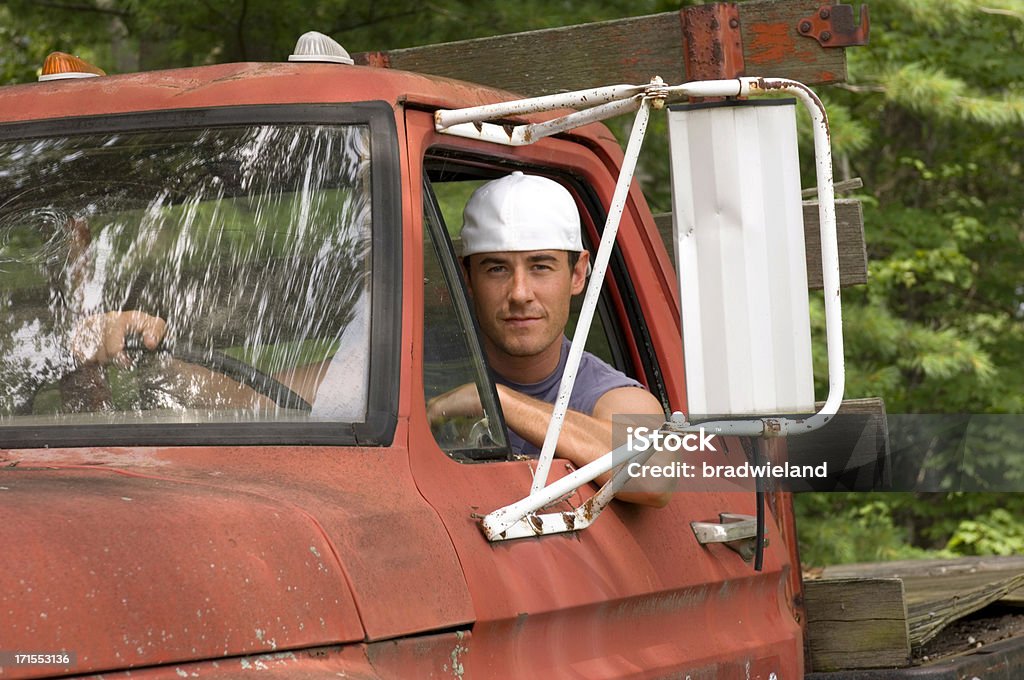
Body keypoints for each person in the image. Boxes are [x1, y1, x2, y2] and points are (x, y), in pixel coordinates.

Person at [426, 172, 668, 506]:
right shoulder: (418, 366)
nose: (520, 293)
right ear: (466, 277)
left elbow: (655, 476)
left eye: (540, 266)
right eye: (496, 269)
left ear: (579, 273)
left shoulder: (607, 393)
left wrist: (497, 401)